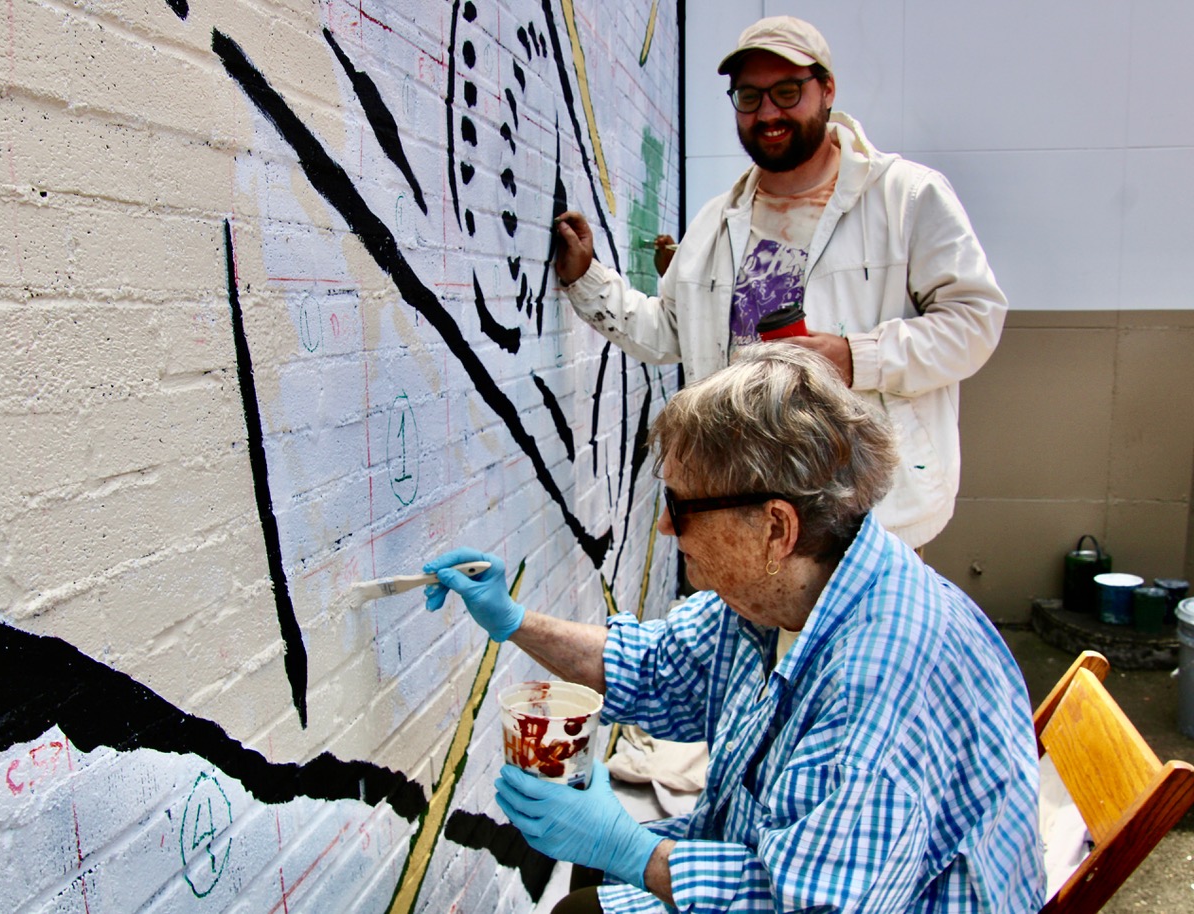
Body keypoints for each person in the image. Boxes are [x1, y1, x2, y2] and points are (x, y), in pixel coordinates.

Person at [424, 345, 1045, 913]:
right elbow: (657, 667)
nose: (665, 530)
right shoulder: (779, 595)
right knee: (593, 888)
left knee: (580, 906)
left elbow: (810, 907)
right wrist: (512, 620)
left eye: (681, 507)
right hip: (779, 858)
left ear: (775, 528)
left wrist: (628, 850)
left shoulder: (880, 685)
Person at [554, 16, 1007, 550]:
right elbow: (667, 331)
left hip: (866, 520)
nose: (768, 112)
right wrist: (587, 279)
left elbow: (974, 323)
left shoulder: (905, 198)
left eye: (787, 91)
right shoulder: (714, 224)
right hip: (749, 519)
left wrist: (854, 356)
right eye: (749, 97)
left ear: (826, 90)